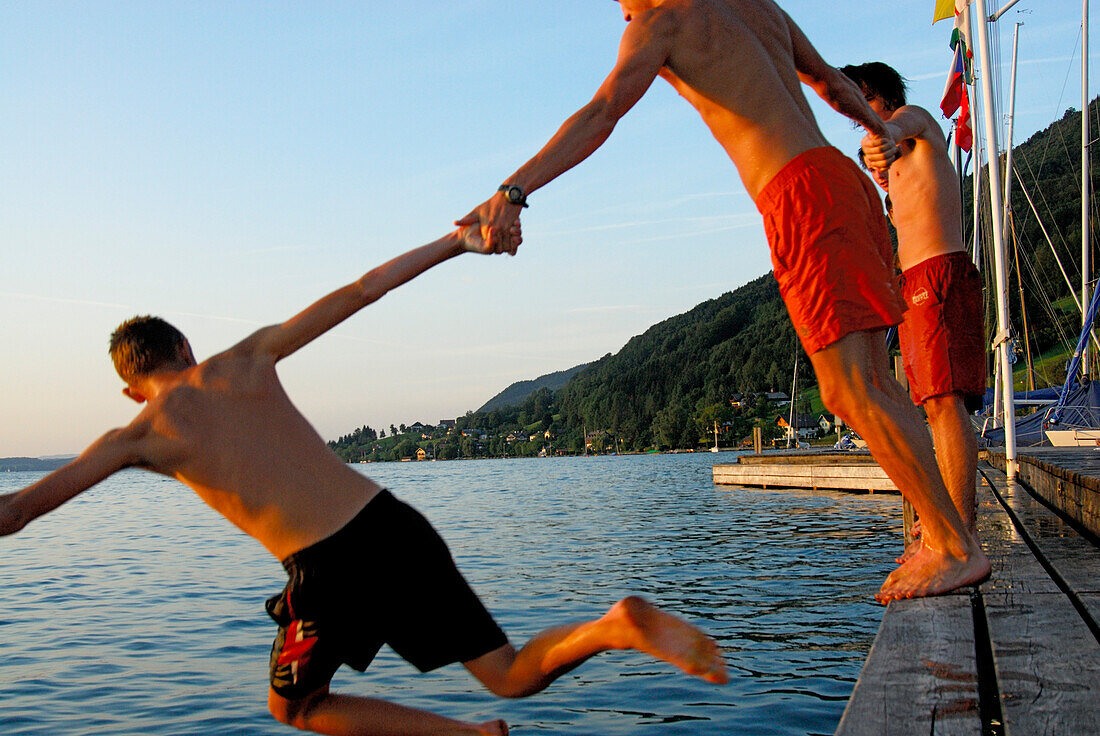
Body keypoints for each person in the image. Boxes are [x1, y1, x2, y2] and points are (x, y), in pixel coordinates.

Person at [0, 224, 727, 736]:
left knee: (296, 709)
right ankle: (615, 624)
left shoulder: (138, 434)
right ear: (185, 347)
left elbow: (18, 512)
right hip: (393, 523)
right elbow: (362, 289)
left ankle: (474, 735)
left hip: (330, 567)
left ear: (131, 387)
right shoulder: (246, 359)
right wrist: (458, 242)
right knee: (507, 673)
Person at [457, 0, 988, 602]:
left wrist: (513, 190)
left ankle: (952, 545)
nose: (619, 11)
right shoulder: (756, 5)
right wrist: (882, 131)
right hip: (845, 182)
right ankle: (942, 537)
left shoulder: (660, 23)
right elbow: (836, 88)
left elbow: (603, 112)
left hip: (799, 194)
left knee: (852, 390)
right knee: (875, 385)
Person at [844, 61, 985, 546]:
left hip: (939, 274)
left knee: (946, 403)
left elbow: (896, 128)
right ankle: (948, 517)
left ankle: (961, 530)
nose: (857, 116)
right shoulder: (898, 171)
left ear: (876, 93)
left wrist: (880, 136)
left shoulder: (917, 122)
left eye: (860, 103)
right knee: (933, 404)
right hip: (915, 285)